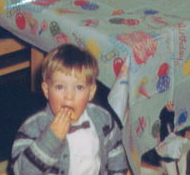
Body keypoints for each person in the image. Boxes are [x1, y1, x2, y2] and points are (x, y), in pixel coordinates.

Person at [11, 44, 129, 175]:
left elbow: (116, 156)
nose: (69, 96)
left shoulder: (103, 119)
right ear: (46, 90)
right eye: (60, 87)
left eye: (79, 87)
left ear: (91, 92)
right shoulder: (33, 127)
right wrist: (51, 139)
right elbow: (20, 171)